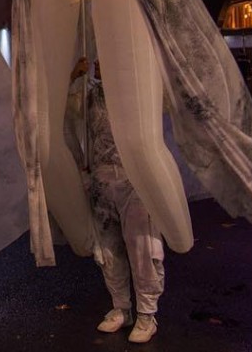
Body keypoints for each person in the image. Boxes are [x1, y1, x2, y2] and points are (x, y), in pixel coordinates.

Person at [76, 58, 163, 344]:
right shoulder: (91, 95)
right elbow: (65, 113)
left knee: (142, 246)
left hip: (133, 179)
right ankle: (120, 308)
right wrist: (74, 76)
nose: (99, 65)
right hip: (102, 180)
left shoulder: (136, 94)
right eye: (97, 61)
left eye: (106, 60)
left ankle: (147, 315)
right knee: (109, 249)